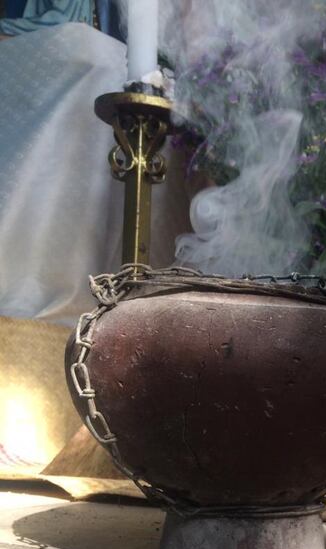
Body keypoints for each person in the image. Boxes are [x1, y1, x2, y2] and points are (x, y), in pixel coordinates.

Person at [0, 14, 189, 327]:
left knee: (119, 70)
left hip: (112, 36)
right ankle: (45, 278)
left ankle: (138, 289)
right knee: (89, 55)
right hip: (40, 24)